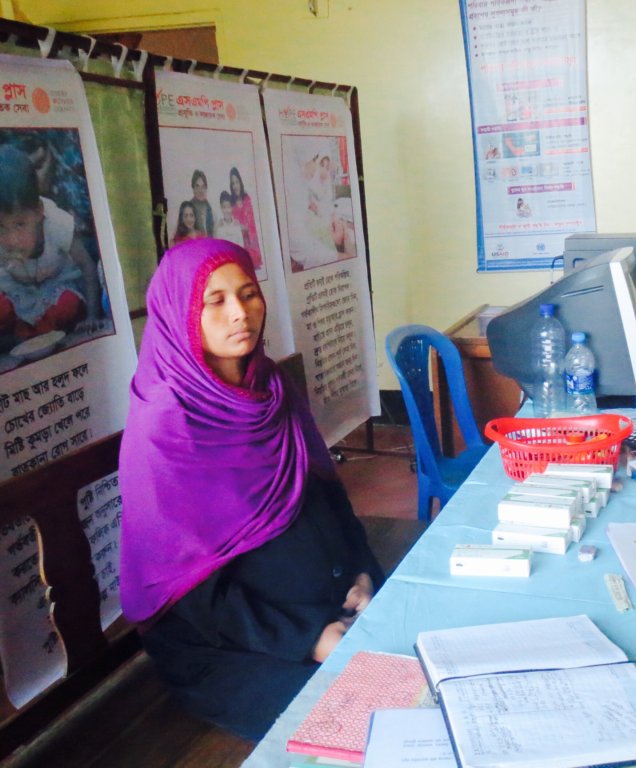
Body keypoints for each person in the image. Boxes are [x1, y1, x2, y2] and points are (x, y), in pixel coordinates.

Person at [119, 239, 383, 741]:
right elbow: (190, 594)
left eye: (247, 293)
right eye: (214, 301)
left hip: (329, 604)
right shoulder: (168, 423)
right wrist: (308, 638)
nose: (240, 313)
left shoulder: (271, 387)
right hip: (234, 644)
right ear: (178, 315)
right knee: (364, 722)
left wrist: (362, 572)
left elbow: (325, 497)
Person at [0, 144, 103, 351]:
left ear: (39, 212)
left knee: (68, 305)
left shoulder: (56, 223)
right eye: (1, 227)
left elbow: (87, 264)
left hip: (56, 287)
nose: (12, 239)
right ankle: (24, 330)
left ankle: (25, 332)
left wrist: (93, 315)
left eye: (20, 224)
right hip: (20, 293)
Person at [228, 167, 262, 270]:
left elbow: (251, 224)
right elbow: (233, 226)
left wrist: (243, 228)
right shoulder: (231, 204)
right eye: (233, 183)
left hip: (252, 241)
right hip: (239, 242)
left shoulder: (247, 199)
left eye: (237, 182)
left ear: (240, 182)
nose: (235, 186)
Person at [188, 169, 215, 236]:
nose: (200, 190)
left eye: (203, 186)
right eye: (197, 186)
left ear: (206, 189)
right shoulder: (188, 208)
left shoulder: (209, 208)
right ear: (193, 188)